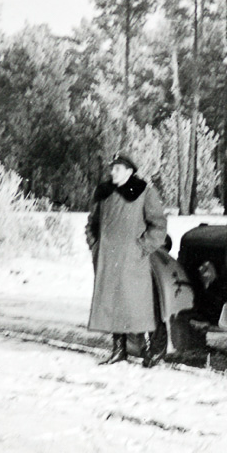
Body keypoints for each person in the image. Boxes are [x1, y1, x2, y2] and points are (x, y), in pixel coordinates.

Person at [86, 152, 168, 368]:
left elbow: (158, 226)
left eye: (118, 168)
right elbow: (91, 224)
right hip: (108, 261)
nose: (112, 172)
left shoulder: (144, 192)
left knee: (141, 305)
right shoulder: (103, 193)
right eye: (112, 168)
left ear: (130, 171)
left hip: (134, 262)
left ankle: (157, 350)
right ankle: (119, 350)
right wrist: (95, 247)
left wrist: (141, 248)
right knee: (114, 304)